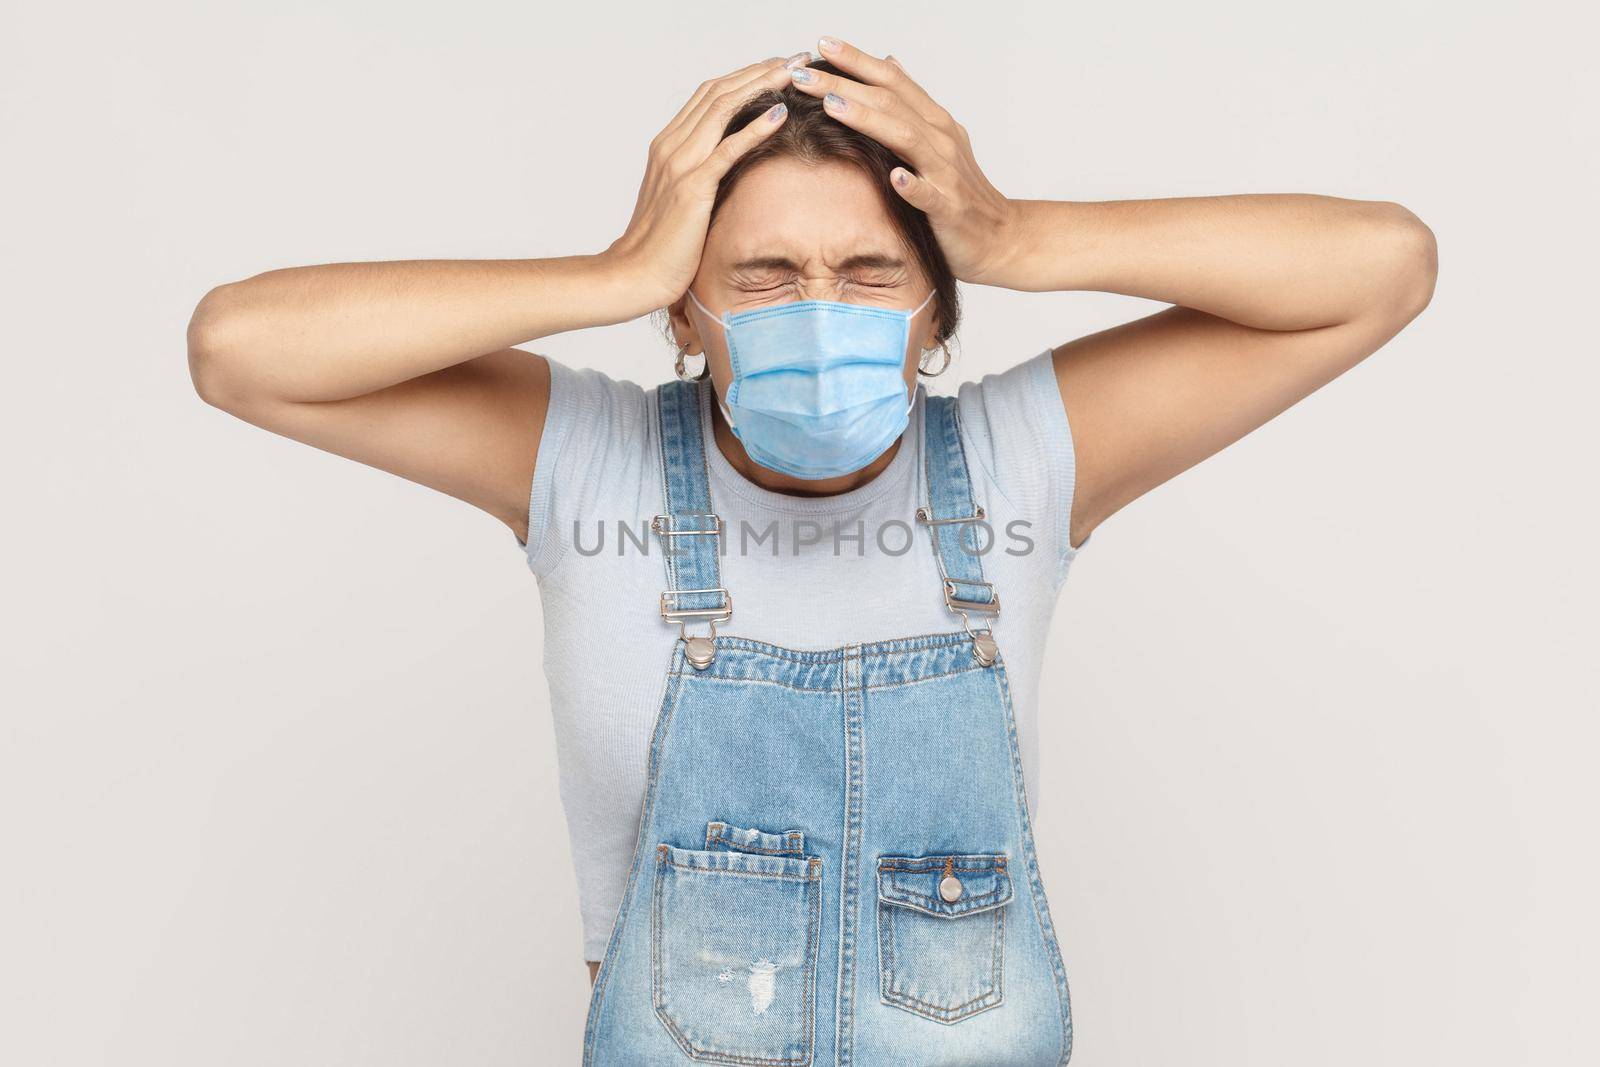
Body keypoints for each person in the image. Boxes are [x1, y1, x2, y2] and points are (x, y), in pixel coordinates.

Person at [186, 37, 1436, 1066]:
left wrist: (1014, 234)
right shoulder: (588, 464)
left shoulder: (1018, 464)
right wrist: (611, 267)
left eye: (871, 271)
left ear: (937, 307)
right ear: (687, 304)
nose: (820, 309)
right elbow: (240, 349)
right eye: (766, 273)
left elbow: (1381, 267)